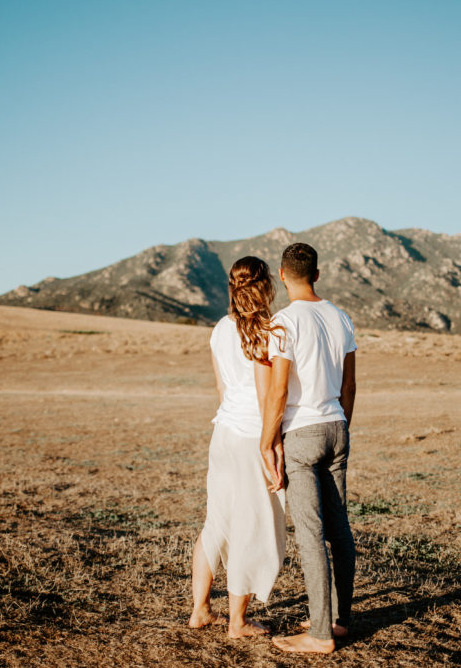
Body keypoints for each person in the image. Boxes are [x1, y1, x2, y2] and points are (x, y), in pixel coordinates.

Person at [261, 242, 357, 654]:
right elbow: (350, 386)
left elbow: (279, 389)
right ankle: (338, 620)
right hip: (337, 425)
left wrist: (267, 441)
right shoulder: (341, 317)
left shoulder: (283, 322)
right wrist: (341, 426)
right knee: (339, 528)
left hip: (302, 432)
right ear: (316, 274)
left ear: (283, 276)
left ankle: (319, 635)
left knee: (311, 535)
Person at [188, 256, 287, 638]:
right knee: (251, 525)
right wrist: (272, 447)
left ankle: (200, 610)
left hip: (224, 433)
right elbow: (267, 399)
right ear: (266, 287)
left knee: (218, 521)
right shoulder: (267, 329)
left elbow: (220, 388)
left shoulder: (219, 329)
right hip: (251, 438)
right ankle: (237, 621)